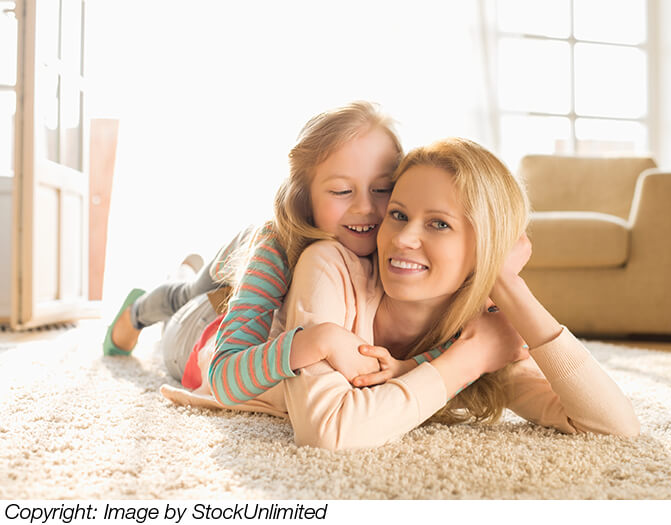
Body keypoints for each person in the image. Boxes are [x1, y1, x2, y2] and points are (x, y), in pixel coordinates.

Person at [162, 137, 640, 450]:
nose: (402, 238)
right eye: (398, 214)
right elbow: (329, 431)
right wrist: (466, 362)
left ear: (487, 250)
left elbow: (613, 426)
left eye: (438, 224)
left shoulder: (483, 330)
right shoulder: (328, 264)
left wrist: (509, 288)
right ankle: (181, 278)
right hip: (204, 343)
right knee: (188, 298)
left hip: (254, 322)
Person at [103, 101, 439, 394]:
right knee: (185, 298)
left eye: (382, 189)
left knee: (228, 263)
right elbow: (224, 375)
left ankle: (197, 269)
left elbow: (448, 344)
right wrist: (315, 341)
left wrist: (407, 368)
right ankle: (137, 311)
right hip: (196, 338)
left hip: (237, 287)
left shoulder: (402, 248)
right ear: (305, 197)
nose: (366, 207)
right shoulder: (276, 249)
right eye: (341, 191)